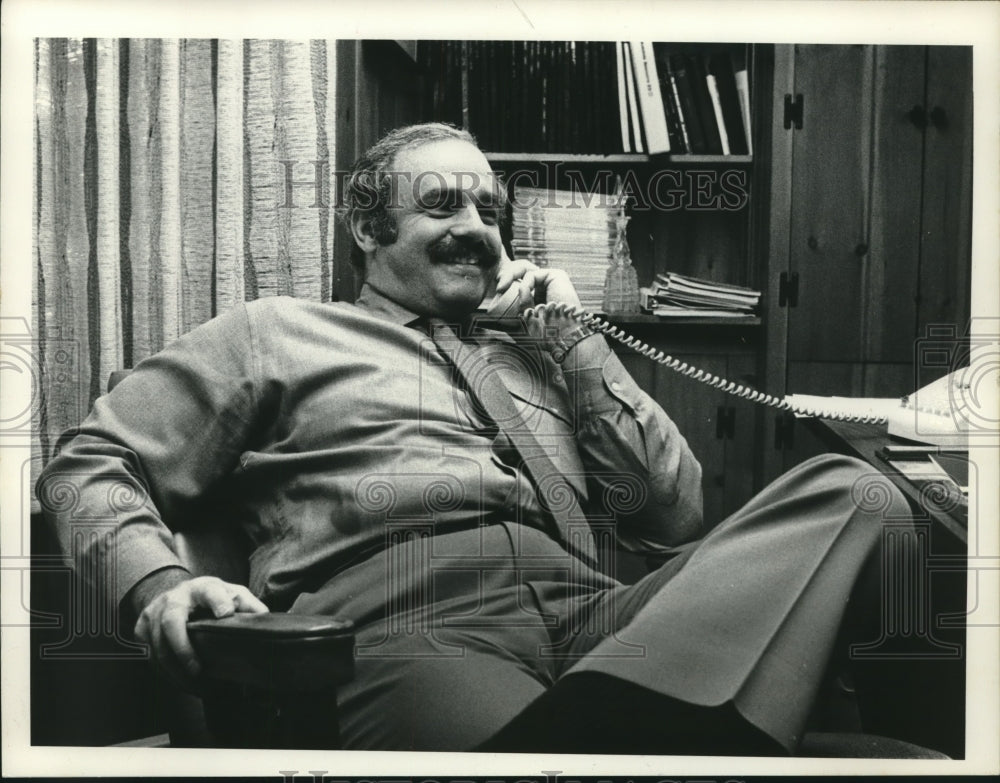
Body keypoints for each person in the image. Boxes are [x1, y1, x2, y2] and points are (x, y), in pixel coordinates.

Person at [39, 122, 924, 755]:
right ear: (367, 230)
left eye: (489, 208)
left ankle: (613, 729)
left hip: (603, 621)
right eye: (439, 205)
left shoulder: (544, 350)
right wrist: (157, 581)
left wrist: (576, 344)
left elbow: (675, 515)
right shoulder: (276, 330)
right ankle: (651, 735)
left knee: (857, 492)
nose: (476, 226)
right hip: (409, 624)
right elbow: (89, 462)